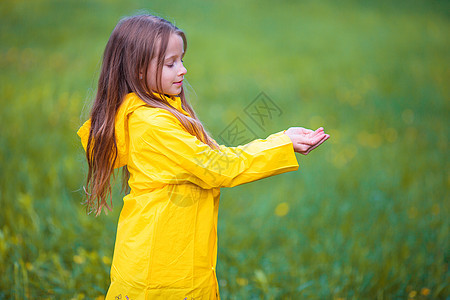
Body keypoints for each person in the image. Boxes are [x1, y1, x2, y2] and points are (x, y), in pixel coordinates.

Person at [77, 14, 329, 300]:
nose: (183, 70)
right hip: (159, 271)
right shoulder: (152, 125)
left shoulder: (161, 112)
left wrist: (282, 142)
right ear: (137, 71)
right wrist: (282, 143)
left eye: (181, 59)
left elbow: (211, 158)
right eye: (171, 64)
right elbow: (217, 167)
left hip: (172, 259)